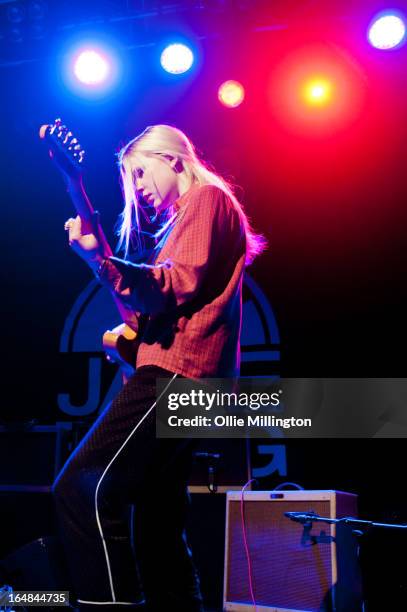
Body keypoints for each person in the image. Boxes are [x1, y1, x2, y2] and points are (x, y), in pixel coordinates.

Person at [49, 123, 265, 611]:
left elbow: (172, 287)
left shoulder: (206, 200)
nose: (139, 190)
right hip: (196, 384)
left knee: (81, 488)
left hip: (177, 377)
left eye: (141, 174)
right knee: (157, 525)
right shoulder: (194, 216)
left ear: (172, 159)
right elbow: (155, 316)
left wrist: (102, 263)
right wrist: (98, 270)